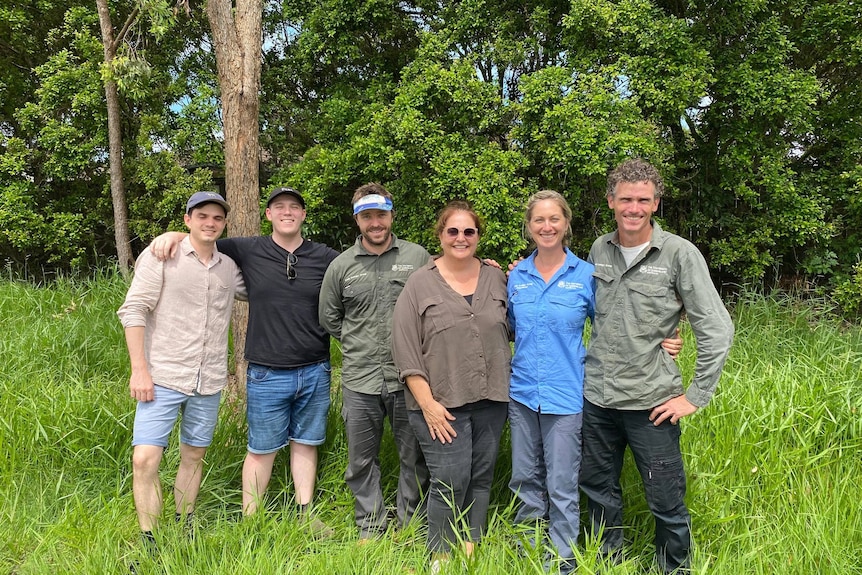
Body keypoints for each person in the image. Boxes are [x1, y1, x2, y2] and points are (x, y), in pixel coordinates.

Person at [150, 187, 338, 531]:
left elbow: (356, 269)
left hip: (315, 368)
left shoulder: (324, 256)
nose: (287, 212)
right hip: (266, 371)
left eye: (294, 207)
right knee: (261, 449)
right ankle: (252, 521)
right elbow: (204, 236)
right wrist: (173, 234)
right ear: (268, 215)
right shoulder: (248, 249)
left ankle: (305, 513)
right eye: (279, 207)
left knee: (306, 443)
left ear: (303, 215)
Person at [580, 159, 734, 573]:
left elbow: (717, 328)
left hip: (652, 402)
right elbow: (599, 314)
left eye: (643, 200)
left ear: (656, 203)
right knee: (596, 488)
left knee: (665, 498)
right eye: (625, 199)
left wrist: (695, 397)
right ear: (610, 201)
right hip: (597, 396)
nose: (634, 208)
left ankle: (674, 567)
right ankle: (606, 559)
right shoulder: (599, 249)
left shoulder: (679, 254)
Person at [117, 191, 246, 553]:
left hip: (209, 381)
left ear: (224, 224)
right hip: (162, 377)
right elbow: (134, 310)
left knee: (193, 456)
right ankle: (150, 541)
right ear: (187, 219)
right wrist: (138, 370)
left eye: (217, 218)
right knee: (145, 458)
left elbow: (262, 290)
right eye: (201, 216)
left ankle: (184, 524)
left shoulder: (229, 269)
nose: (210, 223)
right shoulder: (162, 257)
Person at [392, 201, 510, 572]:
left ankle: (470, 547)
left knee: (480, 477)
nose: (461, 238)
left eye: (469, 231)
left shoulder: (497, 278)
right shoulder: (419, 282)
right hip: (439, 403)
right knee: (449, 480)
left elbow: (521, 326)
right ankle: (440, 557)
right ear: (440, 236)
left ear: (478, 236)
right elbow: (405, 347)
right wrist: (427, 403)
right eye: (453, 231)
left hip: (492, 397)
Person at [318, 183, 431, 541]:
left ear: (391, 215)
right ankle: (370, 525)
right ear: (357, 220)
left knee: (413, 456)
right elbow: (329, 318)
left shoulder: (417, 258)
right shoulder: (341, 266)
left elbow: (433, 307)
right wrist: (357, 342)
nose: (375, 223)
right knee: (361, 460)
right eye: (367, 216)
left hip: (408, 378)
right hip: (359, 380)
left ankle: (409, 523)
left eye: (381, 215)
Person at [506, 190, 594, 572]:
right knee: (524, 478)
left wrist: (666, 338)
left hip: (566, 395)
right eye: (539, 220)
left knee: (561, 485)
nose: (546, 226)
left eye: (554, 219)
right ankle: (527, 550)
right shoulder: (515, 277)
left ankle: (561, 560)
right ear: (529, 227)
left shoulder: (586, 276)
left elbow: (614, 325)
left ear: (566, 224)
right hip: (522, 394)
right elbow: (502, 327)